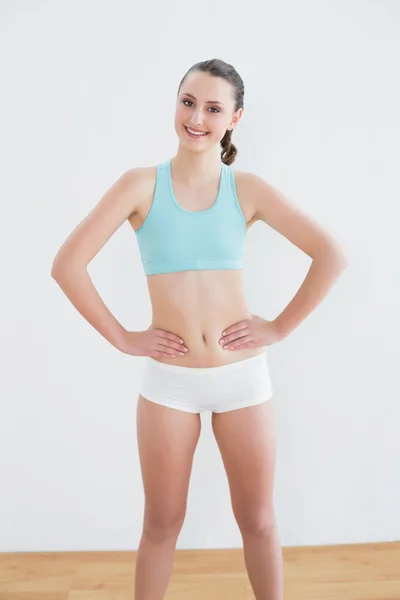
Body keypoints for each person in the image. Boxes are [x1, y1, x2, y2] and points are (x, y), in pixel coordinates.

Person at [51, 58, 348, 600]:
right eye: (188, 101)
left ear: (235, 118)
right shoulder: (140, 185)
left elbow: (330, 254)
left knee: (257, 520)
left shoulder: (247, 189)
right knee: (162, 524)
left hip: (243, 381)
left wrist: (279, 328)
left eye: (213, 108)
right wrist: (123, 337)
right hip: (169, 385)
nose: (197, 117)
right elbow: (67, 266)